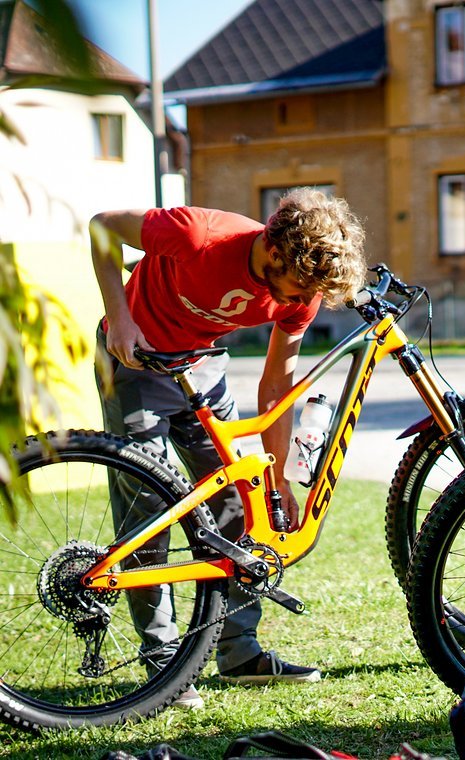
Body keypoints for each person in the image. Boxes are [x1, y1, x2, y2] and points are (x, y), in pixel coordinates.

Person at [90, 188, 368, 709]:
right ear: (274, 251)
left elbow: (277, 381)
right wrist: (120, 317)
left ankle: (237, 651)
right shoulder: (198, 235)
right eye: (294, 289)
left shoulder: (302, 287)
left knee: (242, 499)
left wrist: (279, 474)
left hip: (203, 366)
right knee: (148, 506)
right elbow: (103, 225)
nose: (296, 302)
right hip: (135, 362)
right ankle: (164, 666)